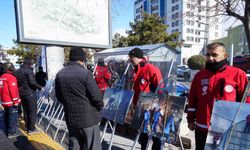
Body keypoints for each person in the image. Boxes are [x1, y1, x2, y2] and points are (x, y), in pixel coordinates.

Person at [187, 42, 250, 150]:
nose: (210, 58)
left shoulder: (238, 74)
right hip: (202, 127)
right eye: (208, 55)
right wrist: (190, 120)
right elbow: (193, 99)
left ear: (225, 55)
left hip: (226, 129)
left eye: (214, 55)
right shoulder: (200, 75)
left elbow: (246, 102)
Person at [55, 47, 103, 150]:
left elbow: (59, 97)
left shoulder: (60, 74)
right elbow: (96, 97)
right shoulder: (85, 73)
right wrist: (100, 107)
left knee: (75, 146)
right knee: (93, 146)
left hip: (71, 118)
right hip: (88, 119)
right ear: (82, 59)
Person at [128, 47, 163, 150]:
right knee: (143, 134)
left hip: (151, 107)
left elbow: (160, 88)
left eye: (131, 57)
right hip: (139, 106)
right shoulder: (136, 69)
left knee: (154, 133)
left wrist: (157, 105)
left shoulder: (150, 69)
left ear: (138, 58)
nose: (130, 60)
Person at [15, 58, 42, 135]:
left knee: (25, 110)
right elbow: (32, 82)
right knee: (32, 111)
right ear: (29, 64)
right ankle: (32, 129)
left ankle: (27, 126)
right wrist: (40, 87)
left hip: (21, 93)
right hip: (30, 93)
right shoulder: (29, 71)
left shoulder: (17, 71)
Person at [0, 62, 21, 138]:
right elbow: (13, 90)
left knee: (6, 115)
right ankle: (11, 133)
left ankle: (8, 129)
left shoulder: (2, 76)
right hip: (11, 101)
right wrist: (15, 101)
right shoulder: (11, 77)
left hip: (4, 100)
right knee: (12, 116)